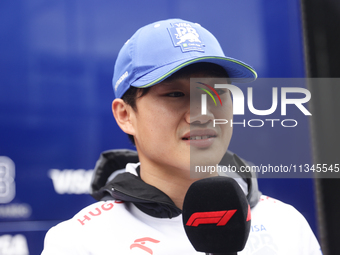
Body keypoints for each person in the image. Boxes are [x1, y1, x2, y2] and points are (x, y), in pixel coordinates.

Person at [41, 19, 321, 254]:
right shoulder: (79, 241)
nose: (202, 114)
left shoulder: (287, 225)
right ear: (125, 115)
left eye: (216, 93)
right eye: (176, 94)